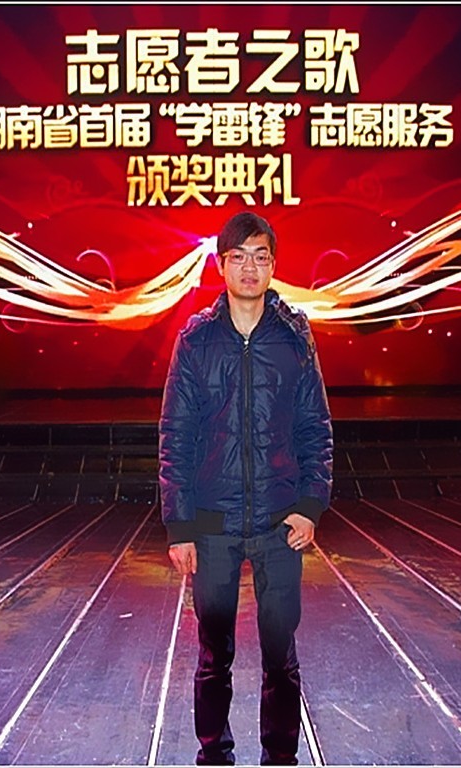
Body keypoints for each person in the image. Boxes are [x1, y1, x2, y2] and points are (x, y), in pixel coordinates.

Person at [158, 211, 334, 766]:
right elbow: (175, 436)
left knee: (281, 656)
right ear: (221, 265)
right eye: (238, 257)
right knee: (214, 656)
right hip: (213, 524)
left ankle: (280, 756)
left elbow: (315, 427)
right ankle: (214, 754)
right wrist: (179, 526)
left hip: (280, 523)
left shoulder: (294, 339)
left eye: (260, 257)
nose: (249, 268)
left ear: (273, 265)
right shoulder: (197, 341)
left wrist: (310, 506)